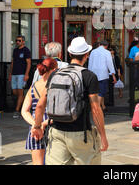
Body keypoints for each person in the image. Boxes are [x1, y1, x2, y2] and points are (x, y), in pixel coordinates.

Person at [31, 37, 109, 165]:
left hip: (56, 132)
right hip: (80, 133)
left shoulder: (55, 74)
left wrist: (37, 127)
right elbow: (96, 109)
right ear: (86, 55)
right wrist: (103, 136)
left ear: (70, 53)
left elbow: (40, 106)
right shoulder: (89, 76)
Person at [21, 57, 58, 165]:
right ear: (54, 70)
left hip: (35, 128)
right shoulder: (56, 86)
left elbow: (24, 111)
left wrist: (35, 124)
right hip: (53, 126)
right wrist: (43, 124)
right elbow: (60, 112)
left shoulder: (34, 86)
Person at [88, 41, 116, 111]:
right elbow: (110, 64)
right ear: (106, 46)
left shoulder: (93, 52)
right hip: (103, 74)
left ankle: (103, 107)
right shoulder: (107, 52)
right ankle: (97, 108)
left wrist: (89, 73)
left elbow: (90, 63)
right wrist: (113, 75)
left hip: (93, 74)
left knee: (97, 91)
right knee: (102, 92)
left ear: (100, 44)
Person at [8, 35, 31, 119]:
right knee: (15, 92)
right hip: (14, 74)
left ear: (23, 42)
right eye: (16, 40)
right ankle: (26, 102)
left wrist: (26, 74)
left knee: (20, 92)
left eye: (19, 41)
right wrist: (10, 73)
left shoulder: (26, 50)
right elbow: (13, 62)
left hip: (22, 74)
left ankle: (17, 111)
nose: (17, 42)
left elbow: (29, 63)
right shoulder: (15, 50)